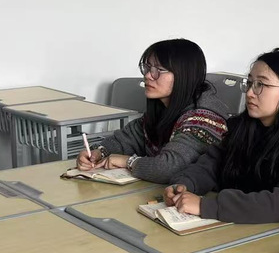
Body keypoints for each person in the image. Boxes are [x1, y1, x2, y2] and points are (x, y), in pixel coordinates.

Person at [164, 48, 279, 223]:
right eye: (250, 83)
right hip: (243, 224)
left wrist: (207, 206)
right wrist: (185, 184)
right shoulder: (247, 123)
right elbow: (213, 162)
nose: (250, 93)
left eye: (261, 84)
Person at [76, 39, 228, 184]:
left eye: (158, 70)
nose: (148, 75)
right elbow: (127, 139)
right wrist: (99, 152)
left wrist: (128, 162)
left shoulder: (204, 118)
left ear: (184, 75)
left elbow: (168, 168)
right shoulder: (163, 106)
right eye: (147, 68)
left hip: (194, 197)